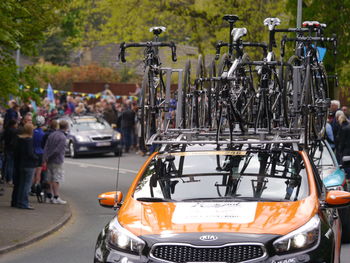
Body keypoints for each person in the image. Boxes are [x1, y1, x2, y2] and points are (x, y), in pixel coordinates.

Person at [11, 123, 38, 209]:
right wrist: (36, 158)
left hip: (21, 164)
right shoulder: (29, 140)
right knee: (27, 185)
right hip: (29, 164)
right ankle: (24, 203)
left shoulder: (20, 139)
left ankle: (19, 201)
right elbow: (30, 153)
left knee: (22, 184)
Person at [43, 120, 69, 204]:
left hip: (49, 160)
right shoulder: (62, 137)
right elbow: (58, 150)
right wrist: (50, 156)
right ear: (66, 127)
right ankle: (56, 197)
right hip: (57, 160)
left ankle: (49, 196)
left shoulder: (52, 135)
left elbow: (46, 147)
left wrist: (46, 157)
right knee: (56, 179)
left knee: (49, 178)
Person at [31, 115, 46, 199]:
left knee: (33, 171)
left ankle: (32, 188)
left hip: (33, 152)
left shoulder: (32, 132)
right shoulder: (43, 133)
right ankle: (36, 187)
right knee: (38, 172)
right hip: (40, 153)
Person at [2, 119, 18, 184]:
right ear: (14, 124)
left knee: (6, 163)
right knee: (10, 164)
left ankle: (4, 177)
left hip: (6, 148)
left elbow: (2, 138)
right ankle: (9, 178)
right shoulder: (15, 131)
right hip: (12, 149)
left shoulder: (6, 130)